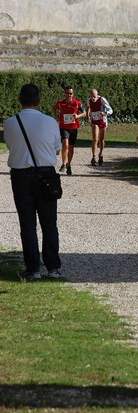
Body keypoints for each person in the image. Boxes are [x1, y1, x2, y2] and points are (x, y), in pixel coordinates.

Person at [4, 84, 63, 281]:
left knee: (27, 224)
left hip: (21, 176)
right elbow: (56, 149)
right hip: (46, 174)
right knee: (49, 223)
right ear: (39, 100)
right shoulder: (50, 122)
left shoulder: (11, 122)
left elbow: (12, 145)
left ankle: (33, 268)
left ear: (20, 100)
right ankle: (53, 267)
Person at [53, 86, 85, 175]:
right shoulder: (61, 102)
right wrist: (56, 116)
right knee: (65, 143)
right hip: (63, 126)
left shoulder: (77, 103)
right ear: (65, 93)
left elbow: (84, 113)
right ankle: (63, 163)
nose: (69, 95)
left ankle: (68, 164)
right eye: (67, 93)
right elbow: (54, 108)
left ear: (73, 94)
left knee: (71, 147)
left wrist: (78, 116)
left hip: (74, 128)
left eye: (71, 93)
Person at [86, 88, 113, 166]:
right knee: (95, 139)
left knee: (101, 139)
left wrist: (105, 113)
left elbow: (111, 110)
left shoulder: (102, 100)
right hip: (94, 121)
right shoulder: (89, 100)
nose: (93, 98)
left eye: (94, 96)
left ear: (97, 95)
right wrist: (88, 116)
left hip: (102, 121)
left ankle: (100, 154)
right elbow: (88, 107)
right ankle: (94, 157)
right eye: (91, 96)